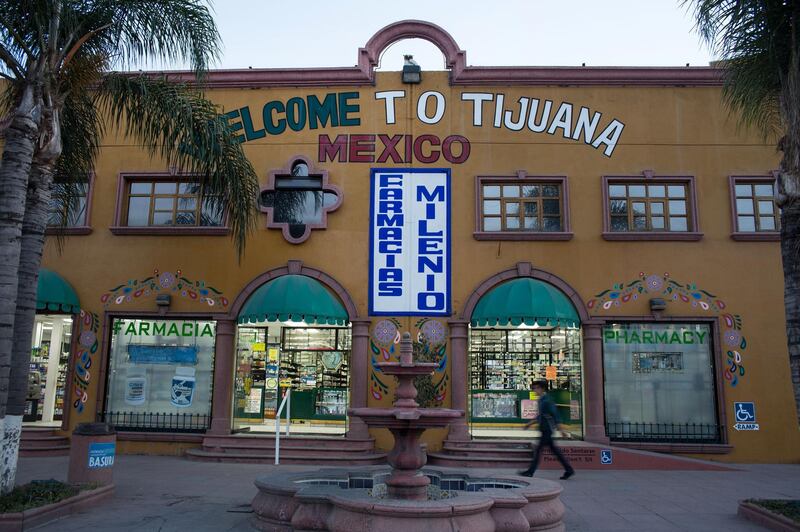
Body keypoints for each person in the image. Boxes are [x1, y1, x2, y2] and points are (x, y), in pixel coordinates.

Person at [519, 380, 575, 480]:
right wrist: (529, 424)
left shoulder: (547, 400)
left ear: (542, 388)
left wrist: (561, 431)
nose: (534, 390)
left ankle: (530, 471)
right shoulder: (541, 400)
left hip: (547, 430)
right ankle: (569, 469)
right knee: (555, 451)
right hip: (544, 429)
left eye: (536, 388)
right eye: (533, 388)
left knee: (539, 450)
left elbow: (556, 416)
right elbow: (540, 416)